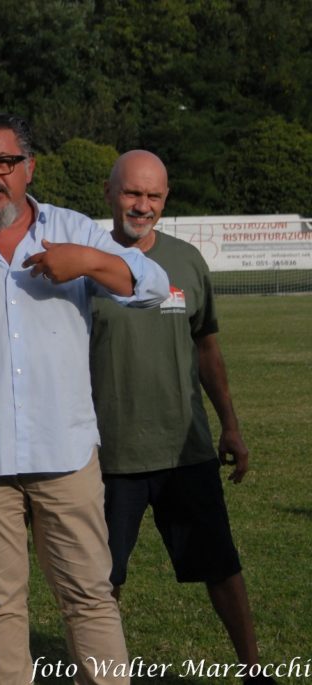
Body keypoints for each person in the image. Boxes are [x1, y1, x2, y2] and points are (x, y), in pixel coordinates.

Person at [0, 113, 170, 685]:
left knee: (89, 597)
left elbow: (150, 288)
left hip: (64, 452)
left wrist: (88, 261)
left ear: (29, 168)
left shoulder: (72, 229)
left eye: (4, 162)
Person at [91, 150, 274, 683]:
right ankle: (104, 674)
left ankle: (254, 671)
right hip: (108, 455)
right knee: (102, 581)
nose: (142, 205)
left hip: (184, 449)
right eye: (132, 193)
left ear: (165, 198)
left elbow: (208, 349)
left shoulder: (187, 260)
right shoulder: (86, 263)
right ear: (109, 193)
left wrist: (230, 426)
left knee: (221, 565)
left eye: (153, 196)